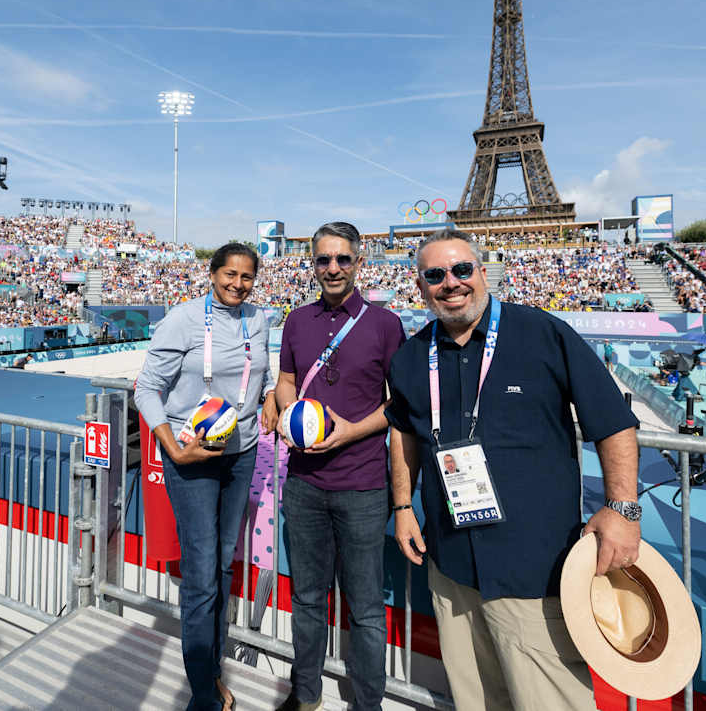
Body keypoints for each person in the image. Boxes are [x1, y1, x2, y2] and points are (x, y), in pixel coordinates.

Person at [386, 230, 640, 711]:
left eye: (462, 269)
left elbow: (612, 421)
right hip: (453, 565)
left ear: (483, 272)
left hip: (533, 567)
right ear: (420, 286)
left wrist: (623, 508)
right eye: (435, 275)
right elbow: (403, 431)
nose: (451, 283)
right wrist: (402, 504)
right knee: (475, 699)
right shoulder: (412, 356)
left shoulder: (541, 332)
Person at [264, 222, 405, 711]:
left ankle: (367, 704)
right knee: (306, 600)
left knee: (365, 610)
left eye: (342, 259)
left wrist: (349, 431)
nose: (333, 268)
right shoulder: (297, 320)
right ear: (313, 264)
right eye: (324, 259)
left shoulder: (385, 324)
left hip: (363, 485)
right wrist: (285, 412)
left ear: (359, 262)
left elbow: (398, 404)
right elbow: (286, 380)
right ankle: (306, 695)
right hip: (303, 483)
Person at [134, 243, 273, 711]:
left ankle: (211, 673)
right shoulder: (183, 319)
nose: (237, 283)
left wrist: (272, 396)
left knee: (220, 567)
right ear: (212, 274)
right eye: (229, 274)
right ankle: (202, 694)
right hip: (193, 456)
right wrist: (172, 447)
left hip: (242, 453)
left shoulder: (260, 319)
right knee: (200, 574)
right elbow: (147, 389)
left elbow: (263, 376)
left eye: (247, 276)